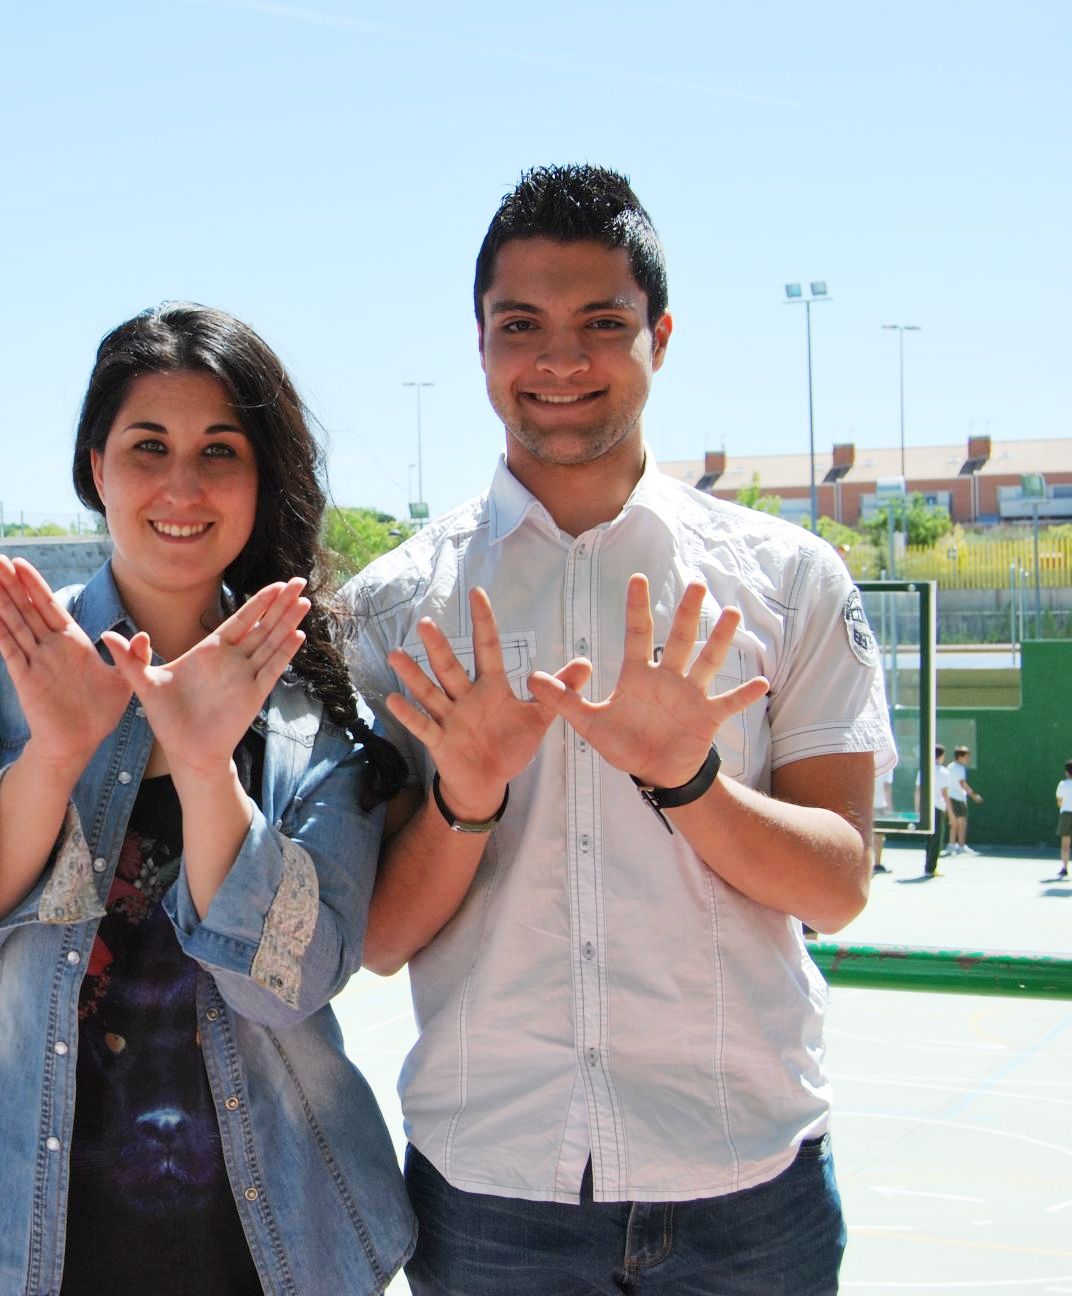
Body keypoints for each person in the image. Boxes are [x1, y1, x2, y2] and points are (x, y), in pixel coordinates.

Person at [344, 164, 893, 1294]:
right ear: (480, 341)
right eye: (521, 325)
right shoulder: (396, 611)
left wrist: (689, 781)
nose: (559, 360)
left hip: (747, 1187)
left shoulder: (786, 580)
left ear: (661, 335)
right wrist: (465, 798)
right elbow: (381, 938)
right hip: (492, 1190)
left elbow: (838, 886)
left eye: (602, 323)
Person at [0, 303, 414, 1296]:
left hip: (269, 1242)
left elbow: (286, 984)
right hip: (1, 1238)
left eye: (220, 451)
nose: (180, 484)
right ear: (94, 466)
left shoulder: (312, 700)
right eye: (147, 445)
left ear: (260, 479)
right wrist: (56, 754)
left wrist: (206, 768)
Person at [946, 744, 983, 855]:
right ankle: (961, 846)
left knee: (954, 823)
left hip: (950, 798)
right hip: (958, 798)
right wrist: (974, 795)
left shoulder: (950, 767)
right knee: (962, 824)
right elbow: (962, 784)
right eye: (966, 757)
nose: (968, 759)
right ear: (960, 757)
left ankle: (952, 845)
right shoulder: (959, 768)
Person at [926, 744, 950, 876]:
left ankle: (928, 866)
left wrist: (919, 808)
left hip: (927, 808)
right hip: (938, 808)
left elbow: (918, 791)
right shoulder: (944, 772)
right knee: (936, 839)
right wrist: (950, 812)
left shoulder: (925, 769)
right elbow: (945, 795)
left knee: (930, 838)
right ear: (941, 756)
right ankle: (931, 868)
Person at [1054, 760, 1072, 880]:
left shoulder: (1062, 784)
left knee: (1065, 843)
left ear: (1066, 772)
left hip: (1066, 814)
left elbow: (1059, 802)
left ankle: (1065, 868)